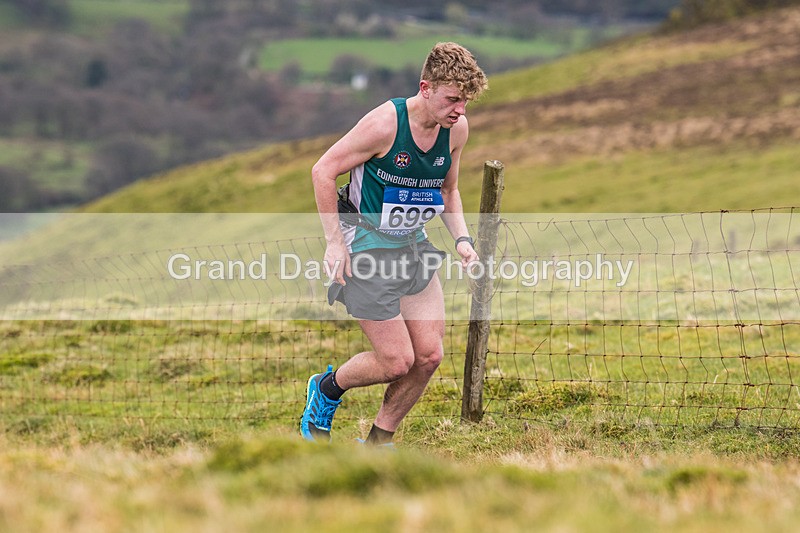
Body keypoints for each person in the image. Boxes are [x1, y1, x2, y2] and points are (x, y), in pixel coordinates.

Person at [301, 42, 488, 446]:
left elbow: (448, 189)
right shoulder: (384, 124)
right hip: (365, 247)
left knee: (429, 356)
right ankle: (327, 388)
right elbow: (323, 170)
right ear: (425, 88)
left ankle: (378, 443)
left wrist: (462, 240)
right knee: (396, 361)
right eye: (452, 99)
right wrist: (334, 243)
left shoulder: (456, 129)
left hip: (412, 247)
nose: (460, 110)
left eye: (466, 101)